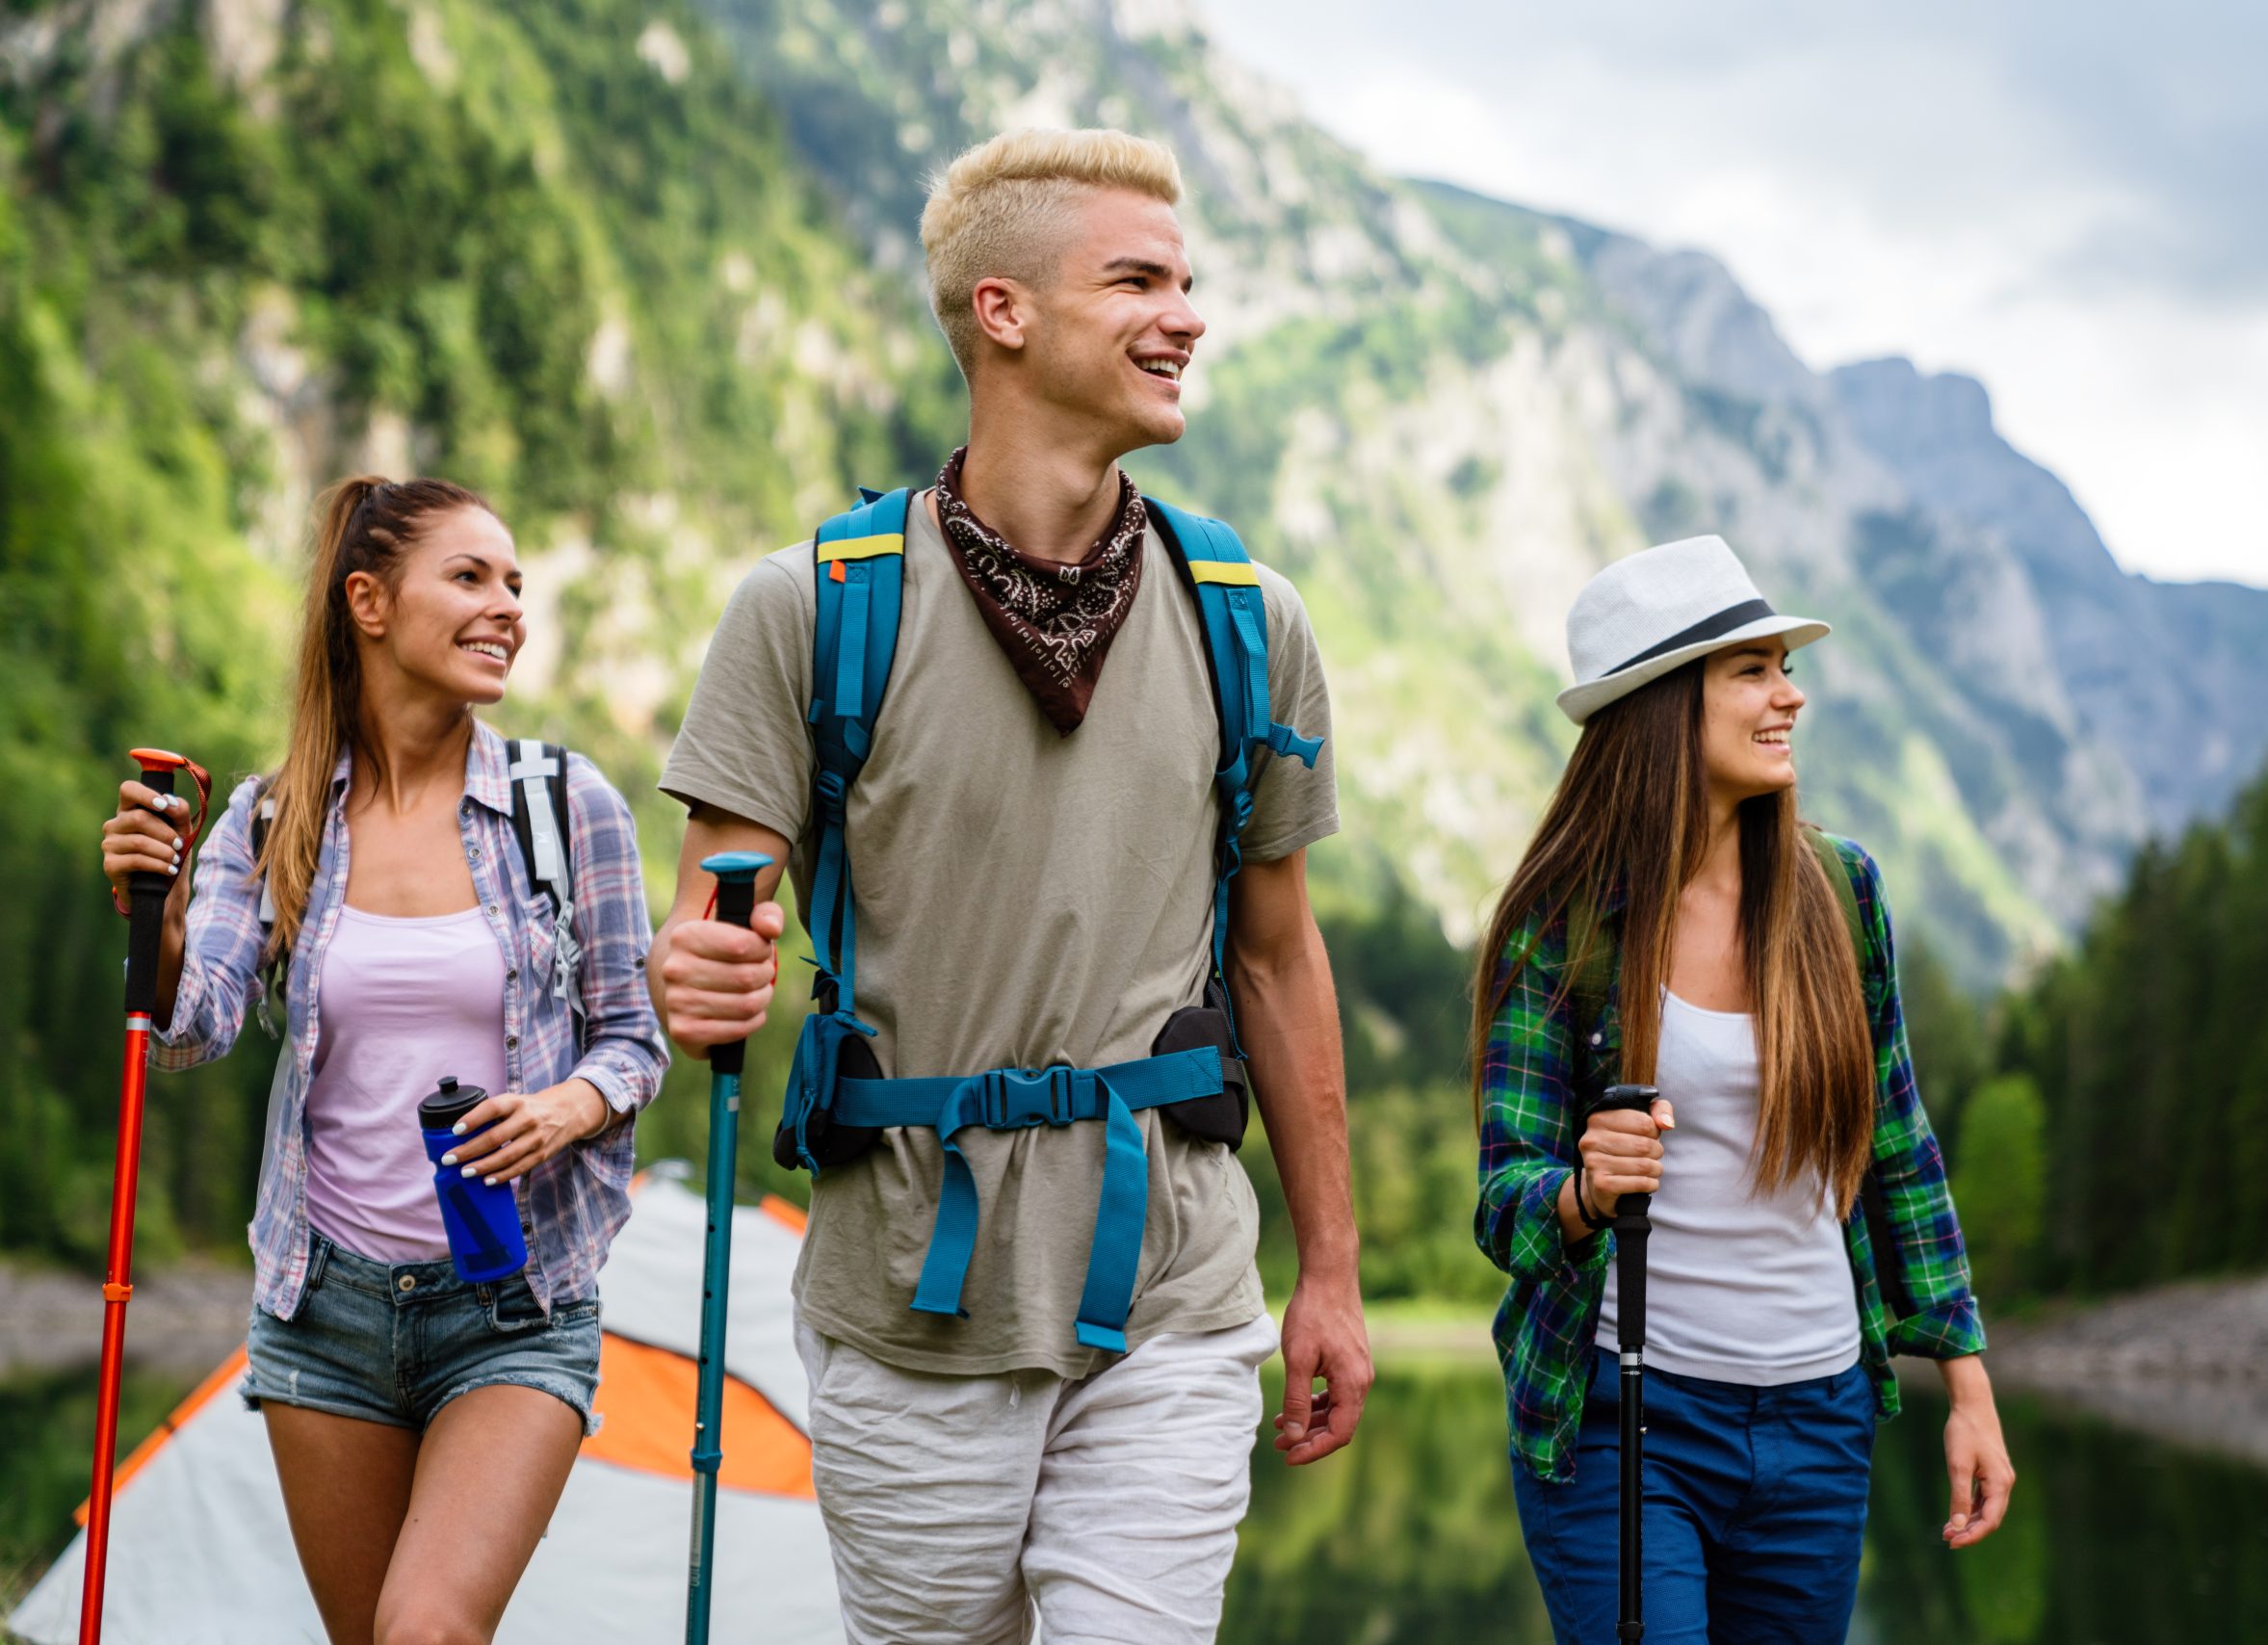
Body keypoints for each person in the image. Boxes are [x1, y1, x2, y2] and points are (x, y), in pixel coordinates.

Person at [649, 128, 1370, 1643]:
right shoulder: (812, 608)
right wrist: (697, 972)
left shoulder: (1250, 620)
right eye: (1137, 280)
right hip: (912, 1291)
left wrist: (1334, 1279)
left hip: (1173, 1290)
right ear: (1003, 312)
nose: (1185, 316)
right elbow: (710, 912)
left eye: (1188, 283)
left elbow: (1280, 961)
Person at [99, 476, 666, 1645]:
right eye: (471, 577)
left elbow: (634, 1039)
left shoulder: (569, 807)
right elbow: (189, 1023)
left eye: (516, 582)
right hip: (325, 1316)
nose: (508, 605)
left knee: (429, 1630)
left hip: (516, 1307)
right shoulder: (273, 820)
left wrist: (565, 1106)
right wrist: (147, 912)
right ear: (368, 600)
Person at [1472, 536, 2017, 1643]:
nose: (1790, 694)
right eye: (1754, 669)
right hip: (1628, 1419)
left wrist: (1968, 1383)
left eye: (1783, 665)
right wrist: (1580, 1192)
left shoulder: (1839, 890)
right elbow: (1501, 1202)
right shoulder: (1562, 918)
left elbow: (1896, 1150)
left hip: (1819, 1426)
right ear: (1668, 704)